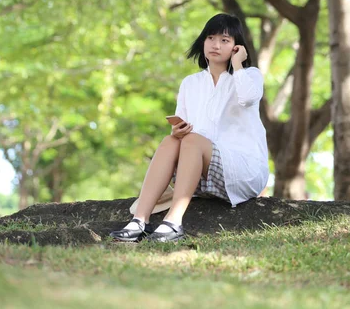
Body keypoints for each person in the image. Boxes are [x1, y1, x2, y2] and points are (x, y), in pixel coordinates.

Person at [110, 13, 269, 243]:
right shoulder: (190, 84)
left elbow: (247, 98)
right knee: (171, 141)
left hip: (243, 170)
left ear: (237, 47)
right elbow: (183, 132)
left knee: (193, 140)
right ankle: (139, 220)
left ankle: (173, 222)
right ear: (202, 42)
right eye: (211, 38)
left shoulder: (250, 76)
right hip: (197, 175)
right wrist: (177, 132)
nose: (216, 45)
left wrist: (238, 64)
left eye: (225, 40)